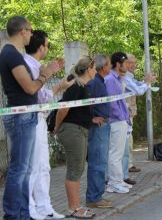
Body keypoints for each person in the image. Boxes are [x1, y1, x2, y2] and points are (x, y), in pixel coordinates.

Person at [0, 16, 60, 220]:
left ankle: (23, 213)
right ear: (22, 31)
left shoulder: (13, 54)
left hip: (26, 115)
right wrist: (45, 74)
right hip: (21, 116)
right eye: (31, 30)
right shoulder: (11, 55)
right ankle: (12, 215)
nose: (32, 34)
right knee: (19, 169)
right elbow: (30, 87)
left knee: (25, 169)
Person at [24, 30, 69, 219]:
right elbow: (35, 94)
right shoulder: (27, 65)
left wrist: (57, 83)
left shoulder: (39, 66)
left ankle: (45, 206)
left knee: (44, 166)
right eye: (47, 44)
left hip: (40, 119)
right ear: (41, 46)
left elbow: (43, 96)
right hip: (30, 119)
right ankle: (30, 207)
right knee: (32, 166)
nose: (48, 48)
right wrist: (55, 83)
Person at [54, 56, 96, 219]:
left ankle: (77, 206)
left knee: (78, 168)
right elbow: (63, 109)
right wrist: (57, 127)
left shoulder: (83, 86)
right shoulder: (75, 86)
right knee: (74, 169)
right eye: (93, 68)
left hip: (80, 129)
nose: (95, 71)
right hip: (73, 130)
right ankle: (73, 208)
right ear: (87, 69)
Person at [85, 54, 113, 209]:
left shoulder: (100, 81)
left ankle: (96, 195)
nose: (111, 67)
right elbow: (85, 102)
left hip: (103, 125)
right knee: (98, 162)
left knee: (100, 161)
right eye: (109, 64)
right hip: (98, 128)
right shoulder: (94, 82)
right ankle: (94, 198)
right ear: (103, 67)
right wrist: (92, 118)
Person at [121, 54, 155, 183]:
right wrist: (147, 82)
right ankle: (125, 169)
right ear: (124, 64)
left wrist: (145, 81)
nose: (134, 65)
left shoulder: (129, 76)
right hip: (123, 114)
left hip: (128, 112)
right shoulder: (123, 77)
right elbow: (138, 90)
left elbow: (137, 85)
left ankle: (127, 166)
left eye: (135, 62)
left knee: (128, 140)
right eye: (131, 63)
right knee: (125, 142)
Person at [104, 52, 134, 192]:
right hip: (116, 120)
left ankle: (119, 180)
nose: (127, 66)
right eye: (125, 63)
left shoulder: (118, 78)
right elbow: (112, 102)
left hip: (121, 119)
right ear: (118, 64)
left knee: (120, 152)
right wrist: (120, 115)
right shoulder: (110, 79)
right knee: (115, 153)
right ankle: (113, 183)